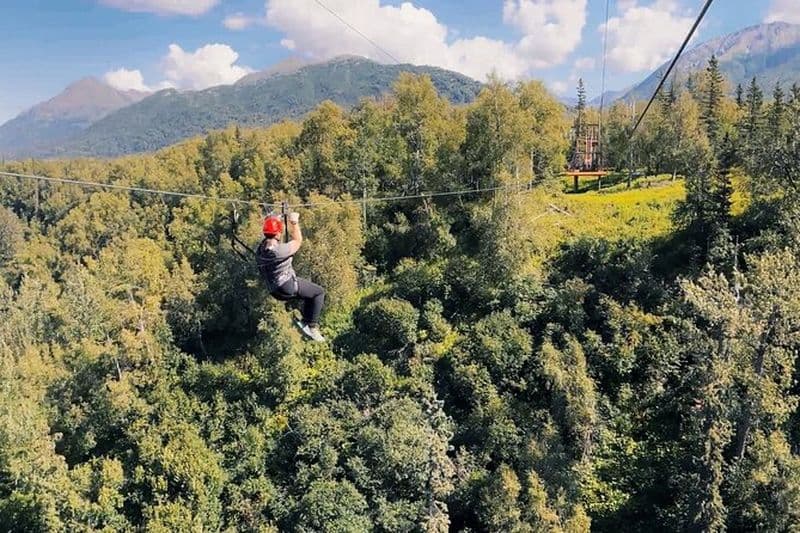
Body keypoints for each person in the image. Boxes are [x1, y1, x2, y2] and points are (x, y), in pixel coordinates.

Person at [256, 211, 326, 342]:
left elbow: (270, 236)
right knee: (318, 293)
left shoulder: (260, 249)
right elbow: (298, 240)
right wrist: (294, 222)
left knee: (309, 295)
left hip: (274, 290)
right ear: (278, 233)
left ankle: (305, 321)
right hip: (286, 286)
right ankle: (312, 327)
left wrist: (276, 219)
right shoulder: (279, 251)